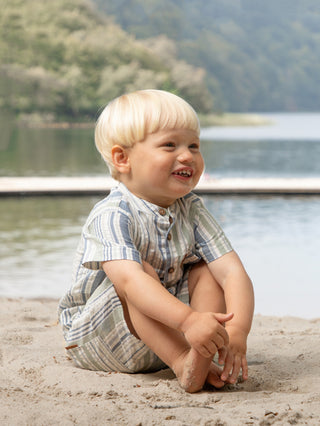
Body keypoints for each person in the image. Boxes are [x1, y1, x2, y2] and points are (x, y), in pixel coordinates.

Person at [58, 89, 254, 393]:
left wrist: (238, 331)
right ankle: (181, 360)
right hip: (102, 337)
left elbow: (233, 273)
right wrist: (189, 321)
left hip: (167, 332)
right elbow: (129, 282)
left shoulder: (191, 209)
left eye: (193, 145)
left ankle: (197, 358)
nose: (187, 155)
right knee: (139, 273)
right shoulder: (112, 213)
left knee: (207, 269)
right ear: (122, 158)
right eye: (169, 145)